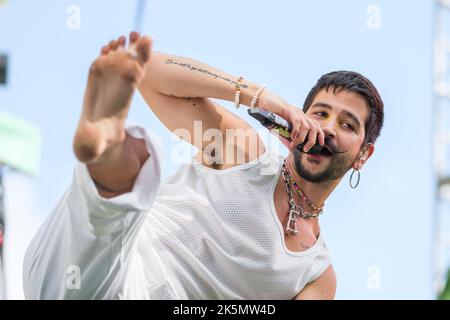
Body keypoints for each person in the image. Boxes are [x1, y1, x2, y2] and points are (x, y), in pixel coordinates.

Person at [23, 31, 384, 299]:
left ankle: (108, 152)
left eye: (347, 124)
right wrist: (259, 97)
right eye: (319, 114)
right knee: (133, 163)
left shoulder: (316, 273)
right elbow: (147, 71)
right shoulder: (244, 152)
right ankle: (105, 147)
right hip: (102, 270)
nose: (326, 128)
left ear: (362, 155)